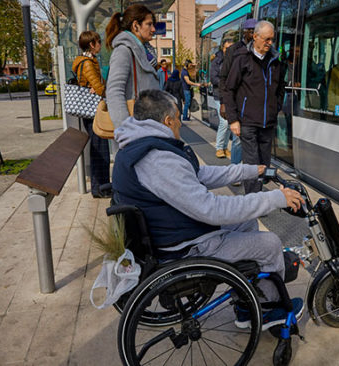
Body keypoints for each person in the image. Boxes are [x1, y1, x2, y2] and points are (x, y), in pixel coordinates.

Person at [112, 89, 305, 329]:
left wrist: (249, 170)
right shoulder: (157, 159)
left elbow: (199, 174)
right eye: (178, 119)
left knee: (246, 223)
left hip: (170, 231)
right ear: (167, 121)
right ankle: (267, 309)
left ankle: (246, 299)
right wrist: (275, 198)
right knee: (271, 244)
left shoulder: (138, 143)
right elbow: (211, 210)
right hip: (184, 245)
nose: (180, 123)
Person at [222, 20, 285, 194]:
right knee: (252, 164)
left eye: (272, 39)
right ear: (255, 37)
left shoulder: (275, 61)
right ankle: (253, 200)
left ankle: (257, 193)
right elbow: (229, 89)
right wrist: (233, 119)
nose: (270, 43)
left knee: (264, 163)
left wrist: (275, 107)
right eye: (266, 39)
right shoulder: (242, 58)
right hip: (247, 122)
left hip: (268, 123)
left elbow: (281, 88)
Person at [105, 4, 160, 130]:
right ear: (136, 26)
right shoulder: (124, 51)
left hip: (146, 126)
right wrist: (127, 131)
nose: (153, 29)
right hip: (136, 130)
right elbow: (114, 92)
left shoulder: (144, 52)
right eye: (149, 24)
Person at [71, 30, 110, 198]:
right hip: (92, 111)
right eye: (98, 42)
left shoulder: (90, 61)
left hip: (91, 110)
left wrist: (100, 87)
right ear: (91, 44)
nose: (100, 44)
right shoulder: (87, 63)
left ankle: (101, 185)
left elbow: (99, 85)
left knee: (99, 148)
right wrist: (102, 89)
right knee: (99, 149)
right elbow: (100, 87)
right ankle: (99, 188)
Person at [218, 19, 256, 120]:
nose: (254, 35)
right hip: (238, 100)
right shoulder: (234, 50)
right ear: (245, 32)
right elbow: (224, 76)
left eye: (256, 32)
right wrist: (223, 102)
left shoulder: (259, 50)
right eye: (252, 32)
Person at [211, 38, 241, 162]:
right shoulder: (216, 62)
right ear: (222, 48)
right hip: (220, 96)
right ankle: (219, 147)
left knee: (230, 124)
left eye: (231, 48)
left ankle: (224, 147)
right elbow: (214, 78)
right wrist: (229, 83)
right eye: (226, 48)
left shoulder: (236, 60)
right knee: (224, 123)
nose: (229, 51)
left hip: (233, 97)